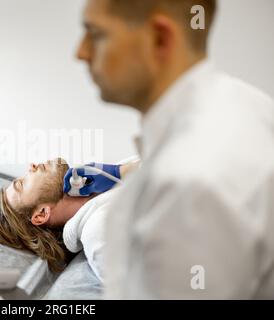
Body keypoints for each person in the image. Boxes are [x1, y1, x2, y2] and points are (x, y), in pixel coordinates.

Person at [74, 0, 274, 298]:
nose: (81, 52)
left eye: (96, 34)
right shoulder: (248, 101)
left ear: (160, 38)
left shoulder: (181, 185)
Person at [0, 158, 136, 277]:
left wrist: (124, 171)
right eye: (22, 184)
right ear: (41, 214)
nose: (31, 166)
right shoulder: (98, 231)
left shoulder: (105, 179)